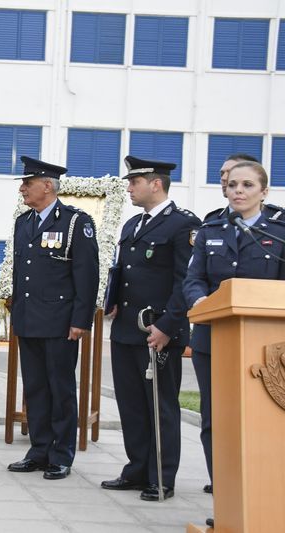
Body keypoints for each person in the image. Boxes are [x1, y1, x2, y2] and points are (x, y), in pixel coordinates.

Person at [100, 156, 201, 501]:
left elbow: (185, 282)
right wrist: (110, 302)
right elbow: (122, 272)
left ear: (155, 183)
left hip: (158, 333)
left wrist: (167, 328)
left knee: (161, 407)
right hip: (128, 330)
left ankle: (161, 477)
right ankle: (137, 469)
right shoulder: (132, 225)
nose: (129, 188)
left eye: (134, 182)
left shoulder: (183, 225)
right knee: (131, 405)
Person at [183, 161, 285, 502]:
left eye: (247, 185)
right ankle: (225, 500)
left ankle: (263, 500)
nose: (238, 191)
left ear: (264, 192)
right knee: (216, 421)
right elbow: (194, 279)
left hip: (267, 347)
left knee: (263, 422)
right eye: (232, 186)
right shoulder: (211, 229)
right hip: (213, 341)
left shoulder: (279, 231)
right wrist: (202, 303)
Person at [6, 156, 98, 480]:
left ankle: (61, 454)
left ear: (47, 185)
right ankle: (39, 449)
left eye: (27, 183)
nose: (22, 189)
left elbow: (87, 276)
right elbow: (22, 273)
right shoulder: (24, 222)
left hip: (60, 323)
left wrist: (80, 321)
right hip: (30, 319)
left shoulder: (75, 223)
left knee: (61, 389)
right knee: (34, 388)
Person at [204, 153, 282, 223]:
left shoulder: (279, 218)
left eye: (231, 172)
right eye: (222, 173)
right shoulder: (212, 219)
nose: (224, 178)